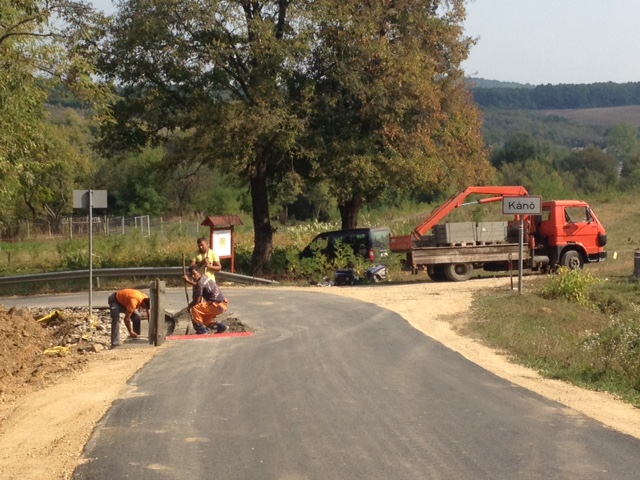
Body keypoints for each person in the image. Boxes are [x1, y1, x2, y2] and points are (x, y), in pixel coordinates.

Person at [183, 264, 229, 335]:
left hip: (215, 305)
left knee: (195, 309)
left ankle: (201, 331)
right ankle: (221, 327)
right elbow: (199, 286)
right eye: (191, 275)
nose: (192, 276)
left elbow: (197, 301)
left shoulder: (200, 284)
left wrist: (189, 307)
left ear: (199, 272)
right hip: (222, 305)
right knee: (205, 319)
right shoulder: (205, 277)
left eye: (194, 274)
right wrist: (188, 281)